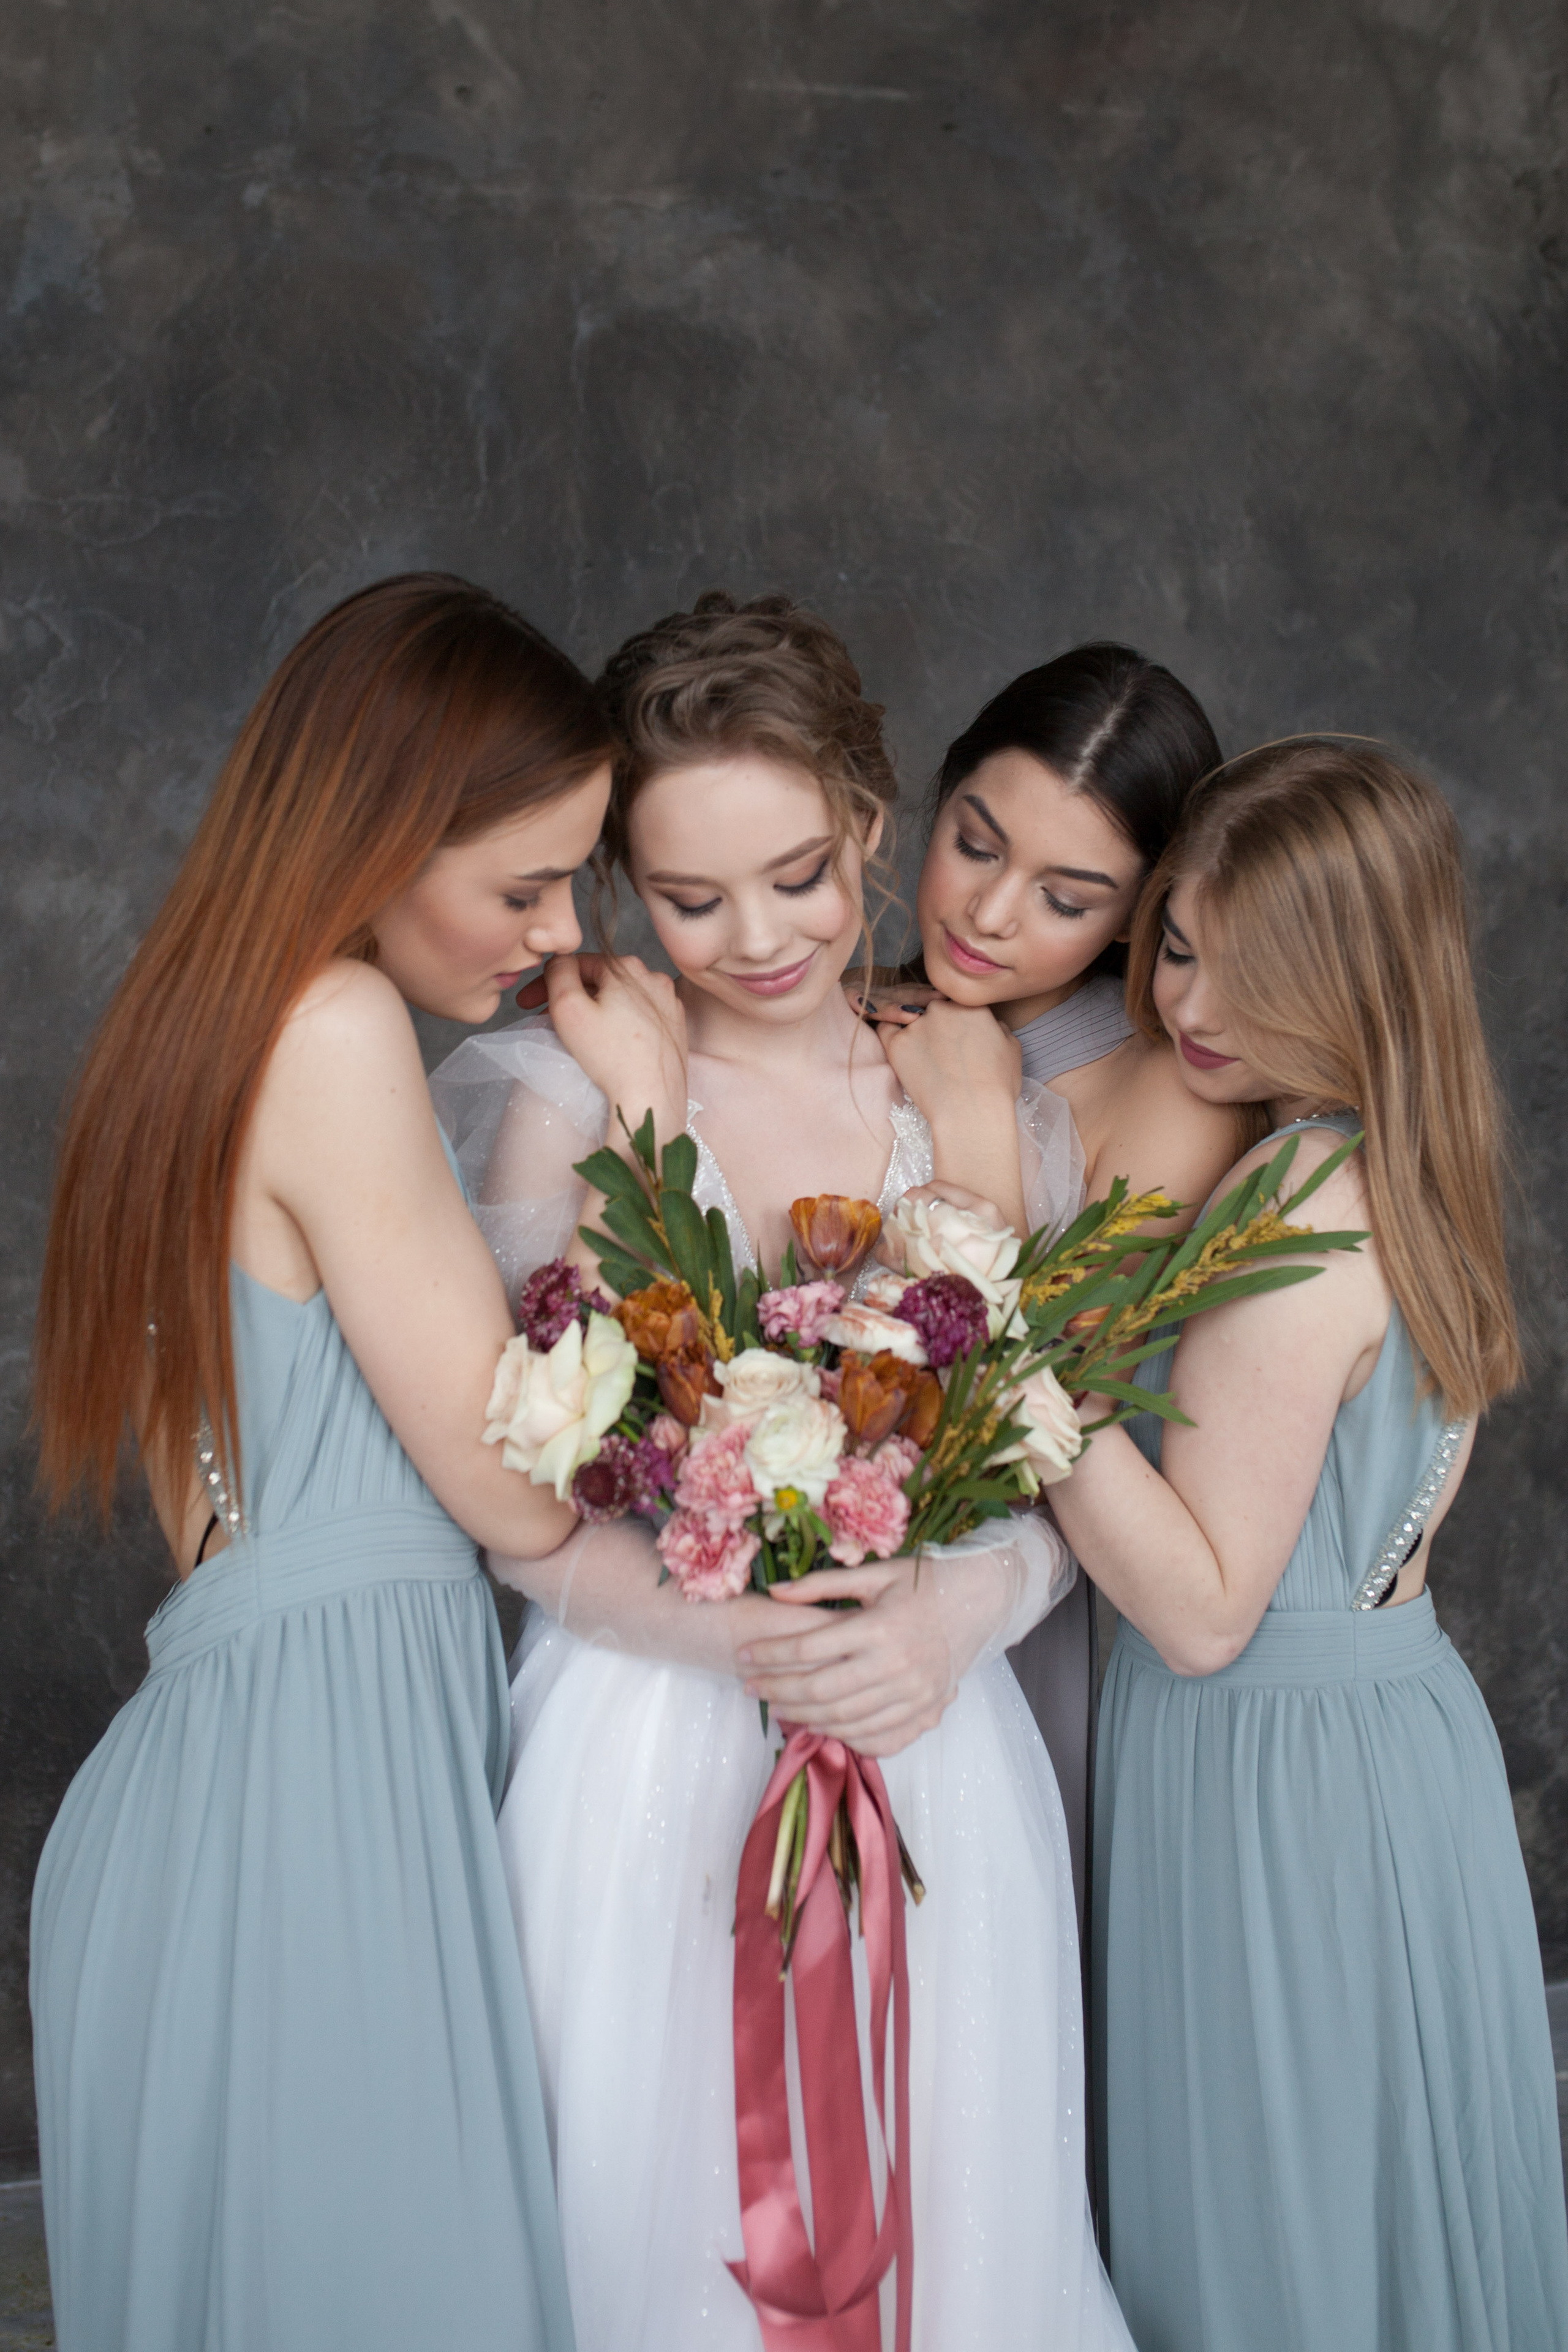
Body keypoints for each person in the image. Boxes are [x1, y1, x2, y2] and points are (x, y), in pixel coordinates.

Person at [431, 592, 1133, 2351]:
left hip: (923, 1731)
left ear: (873, 832)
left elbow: (1057, 1455)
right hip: (650, 1743)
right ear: (620, 891)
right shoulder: (571, 1099)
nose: (757, 937)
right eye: (688, 897)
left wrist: (957, 1618)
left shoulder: (965, 1089)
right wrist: (735, 1646)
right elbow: (521, 1508)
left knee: (953, 2193)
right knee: (649, 2203)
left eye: (801, 876)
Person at [29, 575, 615, 2352]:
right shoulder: (340, 1033)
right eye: (522, 886)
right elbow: (518, 1489)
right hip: (308, 1814)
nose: (559, 926)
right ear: (375, 830)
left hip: (223, 1796)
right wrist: (622, 1122)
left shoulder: (189, 1031)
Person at [1044, 739, 1568, 2352]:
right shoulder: (1399, 1166)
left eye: (1248, 980)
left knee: (1281, 2249)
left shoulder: (1288, 1218)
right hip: (1390, 1733)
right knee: (1375, 2216)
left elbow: (1203, 1613)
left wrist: (1015, 1370)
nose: (1191, 1008)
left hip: (1267, 1776)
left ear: (1354, 983)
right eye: (1181, 944)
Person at [858, 644, 1244, 1950]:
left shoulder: (1168, 1097)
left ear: (1142, 916)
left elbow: (1032, 1433)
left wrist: (971, 1117)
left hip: (1019, 1638)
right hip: (800, 1591)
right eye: (974, 843)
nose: (990, 913)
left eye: (1066, 896)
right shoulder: (831, 1005)